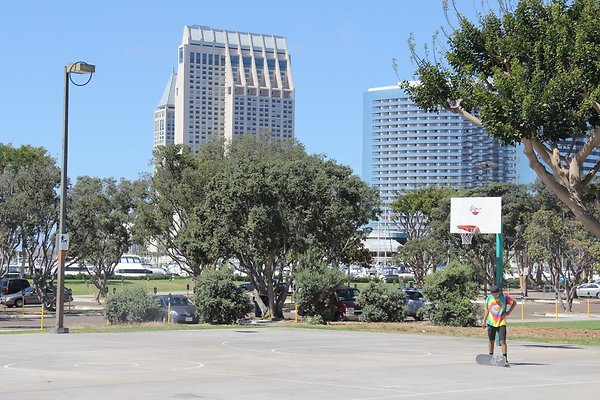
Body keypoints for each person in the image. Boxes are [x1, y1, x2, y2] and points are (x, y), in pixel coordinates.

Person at [482, 284, 516, 364]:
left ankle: (505, 358)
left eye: (496, 294)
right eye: (493, 294)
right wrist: (484, 321)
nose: (495, 296)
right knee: (491, 340)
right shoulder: (489, 298)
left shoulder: (504, 297)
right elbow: (487, 310)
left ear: (499, 292)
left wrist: (508, 312)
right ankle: (490, 356)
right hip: (491, 322)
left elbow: (514, 303)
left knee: (502, 341)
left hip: (501, 322)